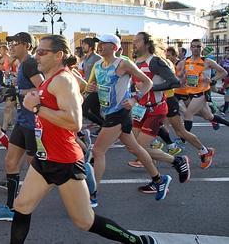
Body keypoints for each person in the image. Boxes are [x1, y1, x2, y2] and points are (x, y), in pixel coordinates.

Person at [9, 34, 157, 244]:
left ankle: (138, 241)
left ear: (59, 55)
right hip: (45, 157)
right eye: (36, 52)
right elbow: (81, 89)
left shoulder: (62, 79)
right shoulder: (54, 78)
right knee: (22, 206)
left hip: (64, 161)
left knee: (85, 221)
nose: (37, 56)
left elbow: (73, 122)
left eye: (42, 52)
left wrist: (36, 108)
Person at [88, 34, 171, 206]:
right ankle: (159, 179)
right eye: (99, 43)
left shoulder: (123, 64)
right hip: (109, 113)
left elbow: (147, 82)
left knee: (98, 151)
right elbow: (92, 87)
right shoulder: (97, 65)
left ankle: (92, 194)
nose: (100, 46)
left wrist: (135, 99)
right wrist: (91, 87)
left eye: (104, 43)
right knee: (135, 148)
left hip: (120, 113)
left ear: (114, 47)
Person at [0, 32, 43, 222]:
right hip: (22, 121)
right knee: (11, 162)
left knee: (36, 167)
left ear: (27, 45)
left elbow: (43, 90)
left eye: (15, 43)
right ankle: (10, 207)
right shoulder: (21, 64)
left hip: (32, 123)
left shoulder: (30, 63)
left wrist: (18, 91)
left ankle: (79, 176)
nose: (11, 46)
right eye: (10, 43)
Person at [127, 32, 190, 190]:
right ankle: (157, 181)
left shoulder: (155, 61)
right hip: (140, 110)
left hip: (156, 110)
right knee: (132, 147)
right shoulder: (136, 61)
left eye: (137, 41)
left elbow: (174, 82)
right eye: (133, 42)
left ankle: (177, 162)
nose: (134, 44)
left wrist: (151, 87)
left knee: (139, 148)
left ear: (147, 44)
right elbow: (136, 85)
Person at [174, 39, 227, 168]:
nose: (196, 48)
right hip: (190, 93)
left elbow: (223, 72)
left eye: (198, 46)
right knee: (209, 117)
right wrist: (181, 77)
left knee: (188, 114)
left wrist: (212, 80)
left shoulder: (207, 61)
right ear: (191, 48)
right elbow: (181, 76)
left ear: (201, 48)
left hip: (202, 93)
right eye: (194, 46)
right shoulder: (186, 61)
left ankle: (182, 142)